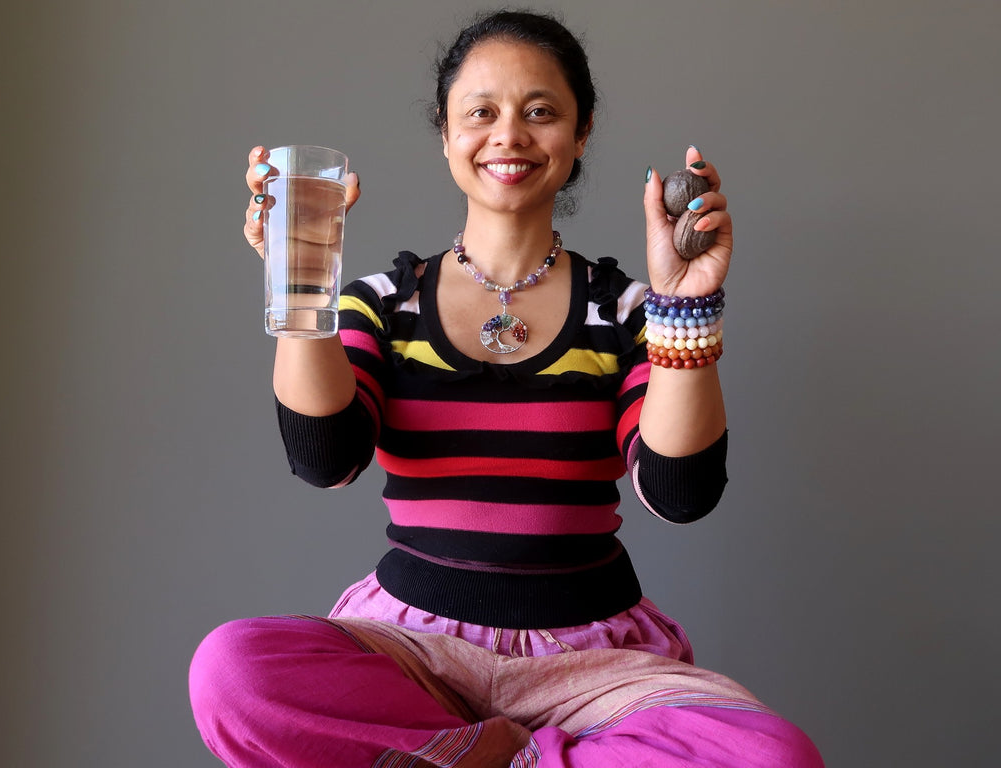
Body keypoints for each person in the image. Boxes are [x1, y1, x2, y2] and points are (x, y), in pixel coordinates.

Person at [189, 10, 824, 767]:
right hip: (412, 651)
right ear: (447, 132)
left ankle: (493, 760)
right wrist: (297, 284)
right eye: (481, 112)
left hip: (588, 661)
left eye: (541, 112)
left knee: (771, 757)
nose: (509, 135)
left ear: (581, 133)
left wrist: (683, 303)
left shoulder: (624, 310)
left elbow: (680, 492)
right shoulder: (380, 302)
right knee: (232, 670)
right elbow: (326, 459)